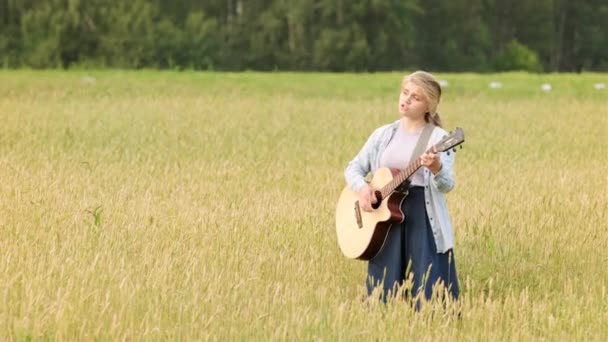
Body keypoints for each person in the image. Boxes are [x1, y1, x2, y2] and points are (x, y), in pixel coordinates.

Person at [344, 70, 460, 306]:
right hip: (384, 219)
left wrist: (437, 167)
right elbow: (353, 169)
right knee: (383, 294)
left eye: (415, 97)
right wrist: (363, 190)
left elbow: (447, 185)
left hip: (423, 218)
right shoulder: (383, 134)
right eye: (405, 92)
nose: (406, 99)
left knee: (428, 291)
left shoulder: (438, 138)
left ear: (429, 105)